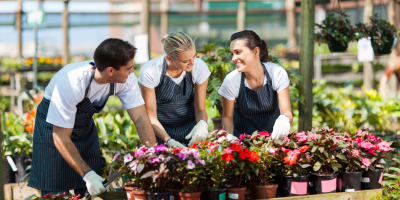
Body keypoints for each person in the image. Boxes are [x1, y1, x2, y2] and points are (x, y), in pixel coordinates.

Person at [28, 38, 157, 197]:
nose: (132, 71)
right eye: (129, 68)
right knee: (55, 190)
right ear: (110, 70)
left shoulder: (125, 79)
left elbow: (140, 118)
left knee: (91, 192)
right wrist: (88, 176)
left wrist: (154, 157)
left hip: (83, 127)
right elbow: (60, 136)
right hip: (54, 128)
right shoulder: (70, 82)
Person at [139, 32, 211, 147]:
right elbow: (150, 116)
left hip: (190, 131)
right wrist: (168, 141)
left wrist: (202, 124)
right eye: (185, 61)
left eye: (194, 56)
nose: (192, 63)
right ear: (169, 58)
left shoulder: (199, 67)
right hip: (160, 131)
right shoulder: (151, 71)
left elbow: (200, 109)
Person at [219, 30, 292, 140]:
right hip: (242, 142)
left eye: (238, 52)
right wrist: (229, 137)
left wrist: (284, 119)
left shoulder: (276, 73)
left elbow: (287, 112)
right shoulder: (231, 80)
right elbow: (227, 118)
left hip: (274, 139)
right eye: (232, 54)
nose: (233, 58)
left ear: (256, 51)